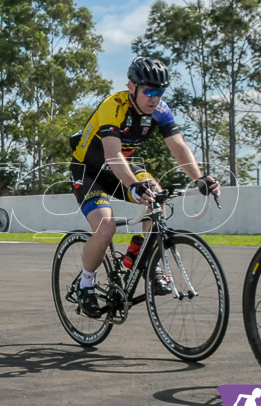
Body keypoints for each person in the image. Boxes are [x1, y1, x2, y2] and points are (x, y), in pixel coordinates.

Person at [69, 56, 219, 319]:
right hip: (89, 170)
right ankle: (86, 283)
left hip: (121, 167)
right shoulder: (112, 106)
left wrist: (199, 178)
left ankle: (143, 261)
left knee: (157, 196)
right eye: (148, 91)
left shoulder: (160, 111)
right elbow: (113, 155)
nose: (154, 98)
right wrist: (134, 186)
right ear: (132, 87)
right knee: (106, 228)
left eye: (159, 92)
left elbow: (178, 146)